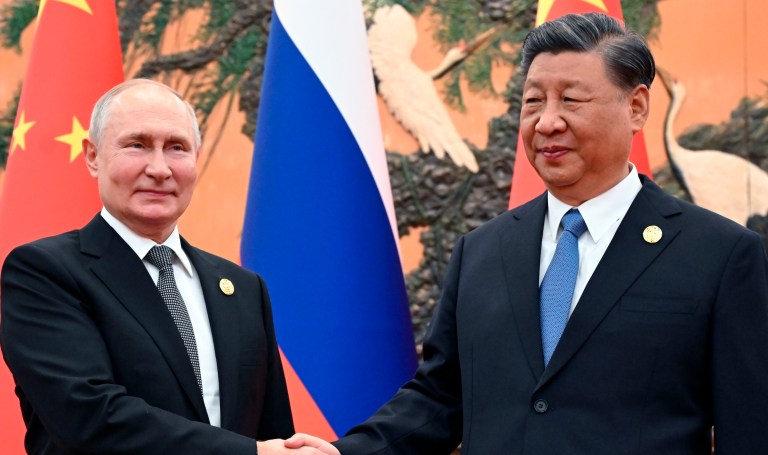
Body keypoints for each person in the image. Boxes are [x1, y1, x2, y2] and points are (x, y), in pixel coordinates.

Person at [286, 12, 768, 454]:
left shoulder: (721, 256)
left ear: (637, 107)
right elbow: (438, 399)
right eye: (533, 101)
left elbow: (749, 428)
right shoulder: (481, 252)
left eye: (571, 101)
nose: (547, 121)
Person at [0, 79, 326, 454]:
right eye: (137, 145)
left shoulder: (243, 288)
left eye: (176, 148)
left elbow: (272, 430)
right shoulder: (44, 272)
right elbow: (88, 419)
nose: (159, 168)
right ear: (93, 156)